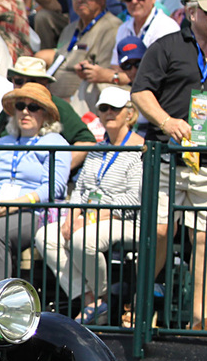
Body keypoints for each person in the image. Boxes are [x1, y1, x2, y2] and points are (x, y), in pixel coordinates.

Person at [129, 0, 207, 332]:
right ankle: (140, 303)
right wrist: (166, 121)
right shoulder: (166, 46)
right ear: (191, 13)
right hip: (166, 157)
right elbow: (140, 93)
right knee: (162, 230)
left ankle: (202, 316)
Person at [34, 86, 144, 325]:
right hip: (92, 218)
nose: (109, 113)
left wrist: (94, 214)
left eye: (115, 108)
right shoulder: (98, 150)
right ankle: (91, 299)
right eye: (103, 108)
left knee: (83, 239)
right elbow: (80, 190)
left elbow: (135, 199)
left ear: (129, 113)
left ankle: (101, 297)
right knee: (45, 236)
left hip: (124, 219)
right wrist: (73, 214)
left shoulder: (139, 149)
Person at [0, 82, 71, 301]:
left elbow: (55, 187)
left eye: (34, 107)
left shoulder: (55, 141)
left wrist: (16, 204)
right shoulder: (4, 142)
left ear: (46, 114)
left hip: (35, 212)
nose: (25, 112)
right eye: (21, 106)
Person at [107, 0, 179, 88]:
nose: (134, 1)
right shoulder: (123, 28)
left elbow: (162, 73)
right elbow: (116, 66)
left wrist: (110, 76)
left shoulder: (166, 27)